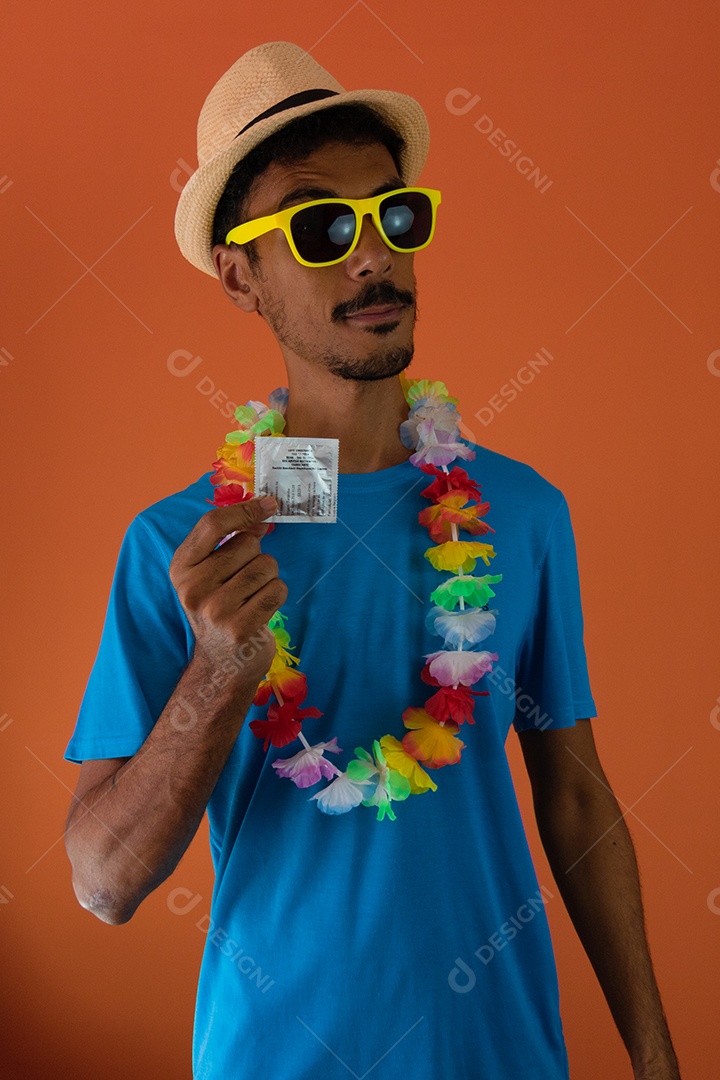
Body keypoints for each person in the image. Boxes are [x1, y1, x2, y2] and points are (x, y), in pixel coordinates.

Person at [63, 41, 682, 1080]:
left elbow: (576, 801)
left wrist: (658, 1060)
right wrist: (217, 673)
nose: (370, 256)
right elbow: (103, 882)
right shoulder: (186, 551)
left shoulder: (522, 514)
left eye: (394, 216)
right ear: (238, 275)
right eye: (318, 226)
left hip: (503, 1057)